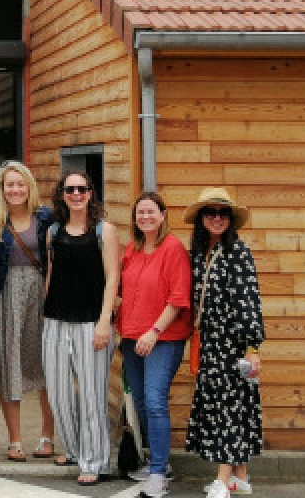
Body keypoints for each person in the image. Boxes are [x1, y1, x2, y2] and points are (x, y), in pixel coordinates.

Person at [183, 188, 264, 498]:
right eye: (210, 212)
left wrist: (252, 349)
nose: (216, 218)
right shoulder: (199, 254)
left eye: (223, 213)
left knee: (230, 409)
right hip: (209, 345)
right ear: (202, 218)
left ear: (231, 220)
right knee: (231, 408)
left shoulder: (238, 253)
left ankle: (221, 479)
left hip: (234, 346)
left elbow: (249, 303)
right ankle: (239, 477)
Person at [41, 170, 120, 486]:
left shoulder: (105, 231)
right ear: (62, 194)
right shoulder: (53, 232)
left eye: (81, 189)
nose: (75, 194)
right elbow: (50, 274)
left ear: (90, 193)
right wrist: (45, 317)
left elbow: (113, 277)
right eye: (69, 189)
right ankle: (75, 449)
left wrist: (104, 322)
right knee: (59, 396)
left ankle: (94, 460)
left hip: (92, 323)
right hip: (56, 322)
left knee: (91, 395)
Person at [117, 191, 193, 498]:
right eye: (140, 213)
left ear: (162, 216)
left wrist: (154, 331)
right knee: (141, 402)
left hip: (163, 338)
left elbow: (178, 296)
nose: (145, 217)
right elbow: (124, 289)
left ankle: (159, 474)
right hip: (132, 336)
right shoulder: (133, 249)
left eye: (151, 212)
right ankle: (157, 462)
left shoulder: (173, 249)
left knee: (155, 399)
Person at [0, 160, 56, 463]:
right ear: (2, 188)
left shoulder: (46, 217)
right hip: (6, 295)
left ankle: (47, 437)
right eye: (9, 184)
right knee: (9, 364)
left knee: (46, 366)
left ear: (29, 187)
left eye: (20, 184)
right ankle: (15, 441)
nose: (15, 189)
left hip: (42, 293)